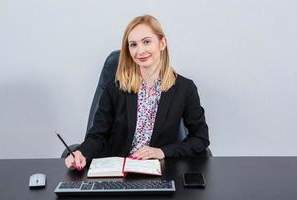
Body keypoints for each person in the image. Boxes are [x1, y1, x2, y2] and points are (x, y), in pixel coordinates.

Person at [65, 15, 209, 170]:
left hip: (160, 171)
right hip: (118, 172)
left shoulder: (184, 88)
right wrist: (81, 152)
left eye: (146, 42)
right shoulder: (116, 88)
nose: (140, 51)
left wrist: (162, 152)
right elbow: (98, 135)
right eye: (133, 45)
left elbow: (200, 138)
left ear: (162, 43)